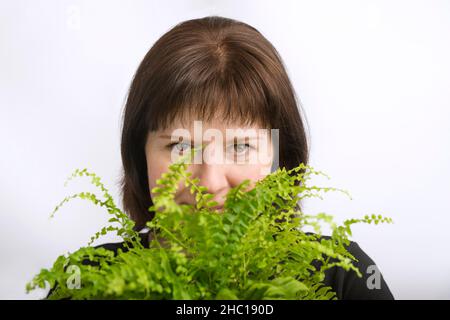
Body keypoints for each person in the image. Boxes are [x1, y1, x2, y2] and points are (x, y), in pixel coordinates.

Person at [50, 15, 395, 300]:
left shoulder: (345, 277)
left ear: (281, 161)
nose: (210, 183)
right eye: (180, 148)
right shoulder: (86, 283)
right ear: (139, 158)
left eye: (241, 147)